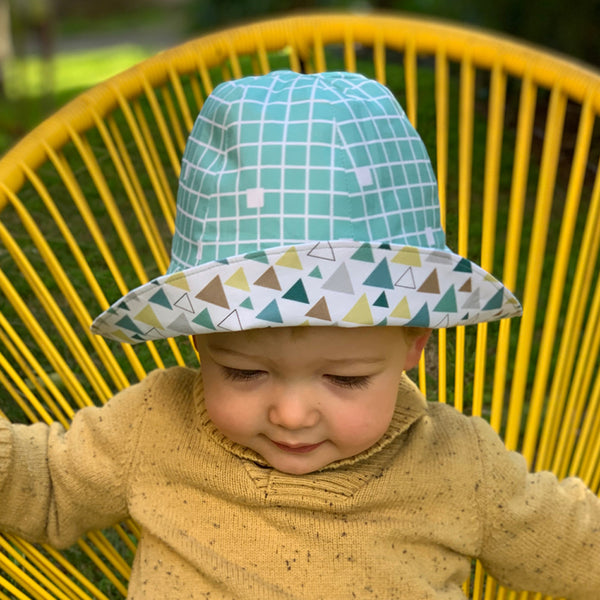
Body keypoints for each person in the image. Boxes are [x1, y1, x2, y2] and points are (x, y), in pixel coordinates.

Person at [0, 70, 598, 599]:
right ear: (198, 341)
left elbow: (574, 546)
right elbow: (46, 483)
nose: (290, 414)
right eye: (243, 371)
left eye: (345, 378)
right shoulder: (154, 427)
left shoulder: (459, 466)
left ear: (415, 343)